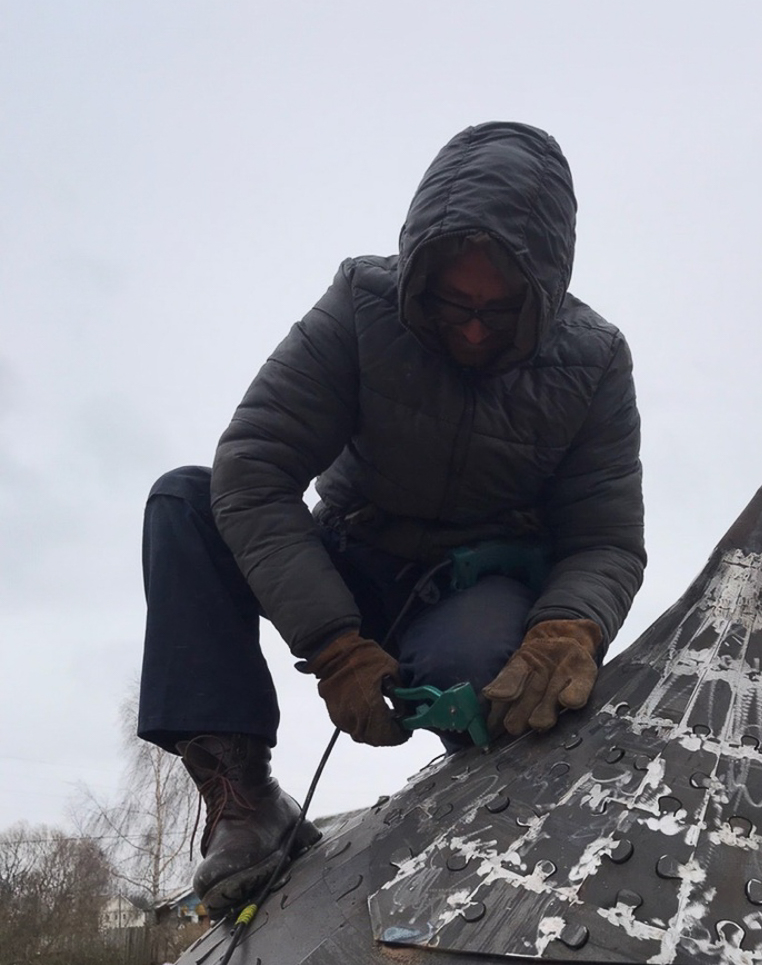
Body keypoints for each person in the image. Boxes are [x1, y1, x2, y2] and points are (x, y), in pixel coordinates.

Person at [137, 121, 646, 916]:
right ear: (417, 272)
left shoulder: (594, 362)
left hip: (467, 588)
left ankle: (499, 846)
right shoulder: (360, 305)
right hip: (347, 555)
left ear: (544, 288)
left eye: (500, 309)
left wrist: (569, 627)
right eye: (452, 304)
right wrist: (335, 647)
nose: (473, 328)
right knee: (186, 499)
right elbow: (255, 470)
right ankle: (244, 803)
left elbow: (605, 538)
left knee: (487, 677)